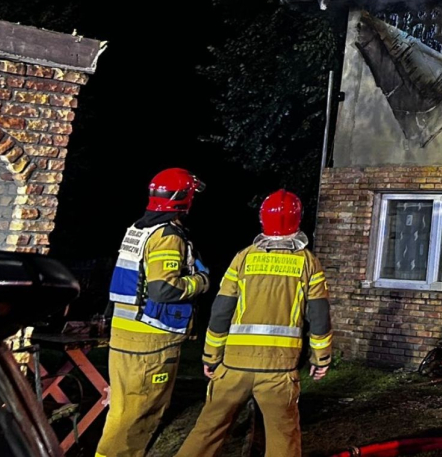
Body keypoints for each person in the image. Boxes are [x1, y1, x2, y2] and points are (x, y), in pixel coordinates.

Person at [175, 190, 333, 457]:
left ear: (262, 219)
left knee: (207, 432)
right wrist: (321, 358)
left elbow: (221, 311)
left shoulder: (243, 258)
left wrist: (211, 356)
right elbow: (318, 315)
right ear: (298, 220)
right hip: (278, 370)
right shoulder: (308, 263)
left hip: (233, 366)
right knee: (283, 440)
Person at [96, 168, 210, 457]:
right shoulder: (167, 236)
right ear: (184, 199)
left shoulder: (138, 229)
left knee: (123, 411)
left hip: (124, 336)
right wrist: (200, 280)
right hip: (151, 341)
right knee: (139, 416)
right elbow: (163, 290)